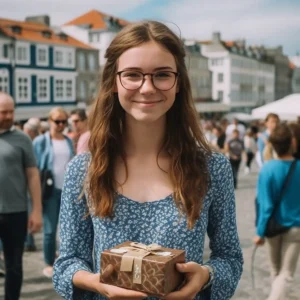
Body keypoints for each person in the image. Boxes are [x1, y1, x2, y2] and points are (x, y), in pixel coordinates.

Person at [53, 21, 243, 300]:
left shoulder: (211, 167)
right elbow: (66, 264)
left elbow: (229, 258)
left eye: (162, 75)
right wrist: (96, 283)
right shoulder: (85, 169)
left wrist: (205, 275)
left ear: (178, 82)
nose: (147, 87)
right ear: (114, 82)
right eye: (132, 75)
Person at [0, 92, 42, 300]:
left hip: (16, 212)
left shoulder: (22, 139)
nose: (8, 116)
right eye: (3, 112)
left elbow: (33, 175)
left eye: (11, 111)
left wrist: (37, 210)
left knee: (14, 264)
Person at [254, 124, 300, 300]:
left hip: (272, 227)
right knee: (286, 274)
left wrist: (259, 232)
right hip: (296, 227)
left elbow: (264, 205)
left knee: (275, 270)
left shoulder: (267, 169)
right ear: (292, 143)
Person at [33, 107, 75, 278]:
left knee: (66, 229)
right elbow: (34, 168)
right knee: (49, 229)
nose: (60, 125)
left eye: (64, 121)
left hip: (67, 191)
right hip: (49, 190)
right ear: (49, 121)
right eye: (57, 121)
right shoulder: (41, 141)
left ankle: (63, 259)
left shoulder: (68, 141)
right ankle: (48, 262)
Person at [23, 121, 40, 252]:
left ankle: (29, 240)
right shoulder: (29, 142)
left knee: (30, 212)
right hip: (24, 185)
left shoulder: (30, 142)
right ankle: (29, 240)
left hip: (30, 184)